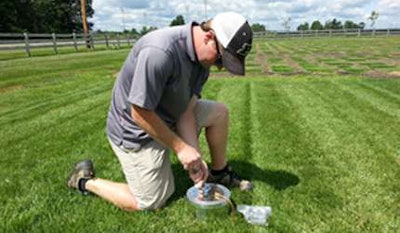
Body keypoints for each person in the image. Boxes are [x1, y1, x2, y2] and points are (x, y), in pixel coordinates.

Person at [67, 12, 253, 212]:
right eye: (221, 60)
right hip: (135, 130)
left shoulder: (203, 61)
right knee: (151, 202)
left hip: (168, 115)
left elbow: (186, 112)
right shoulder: (159, 52)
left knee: (219, 112)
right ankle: (84, 180)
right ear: (209, 37)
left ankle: (219, 173)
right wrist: (181, 149)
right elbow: (138, 113)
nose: (220, 67)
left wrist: (194, 157)